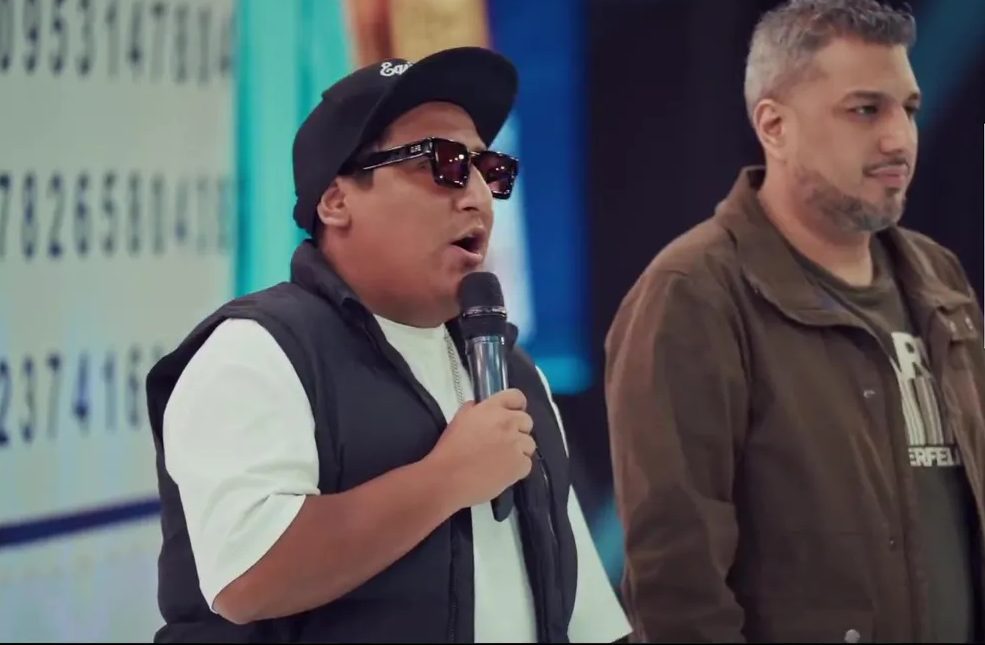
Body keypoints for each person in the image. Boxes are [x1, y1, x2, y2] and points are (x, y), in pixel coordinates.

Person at [146, 47, 630, 643]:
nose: (477, 195)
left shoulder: (511, 371)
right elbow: (247, 579)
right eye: (444, 163)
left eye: (490, 169)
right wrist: (445, 479)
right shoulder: (259, 350)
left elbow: (581, 611)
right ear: (337, 200)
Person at [604, 0, 985, 643]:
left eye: (909, 109)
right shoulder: (694, 294)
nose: (898, 138)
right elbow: (678, 583)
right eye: (865, 109)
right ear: (774, 126)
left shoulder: (940, 277)